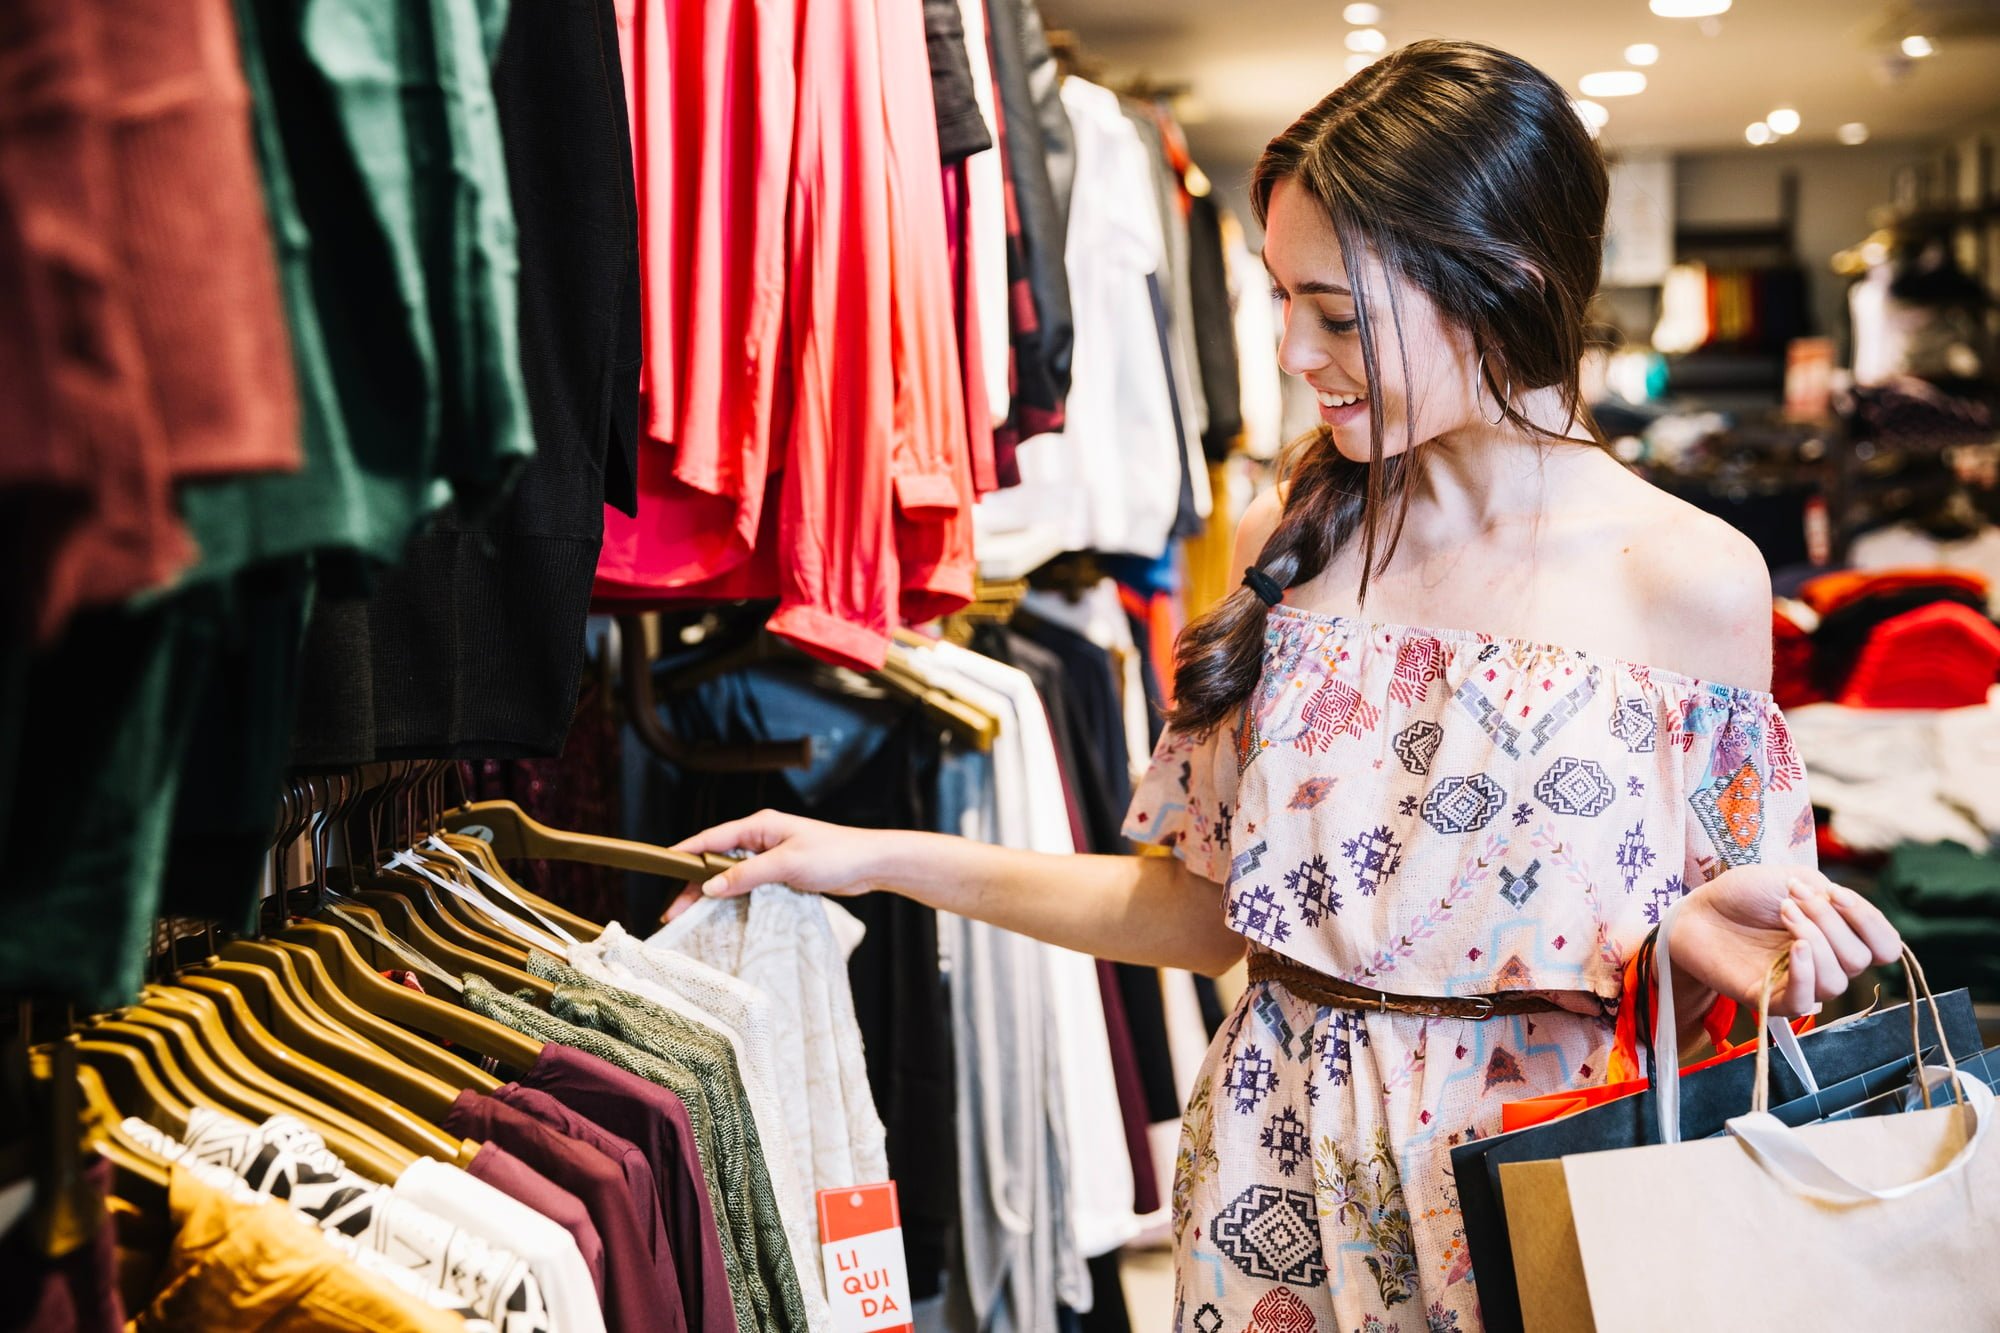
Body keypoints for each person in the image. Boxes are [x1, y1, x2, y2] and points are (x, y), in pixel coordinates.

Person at [668, 39, 1902, 1333]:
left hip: (1552, 1191)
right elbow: (1203, 913)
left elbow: (1750, 987)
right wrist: (873, 856)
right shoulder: (1294, 540)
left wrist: (1698, 951)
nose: (1298, 353)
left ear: (1509, 281)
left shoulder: (1693, 580)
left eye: (1339, 313)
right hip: (1277, 1188)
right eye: (1280, 301)